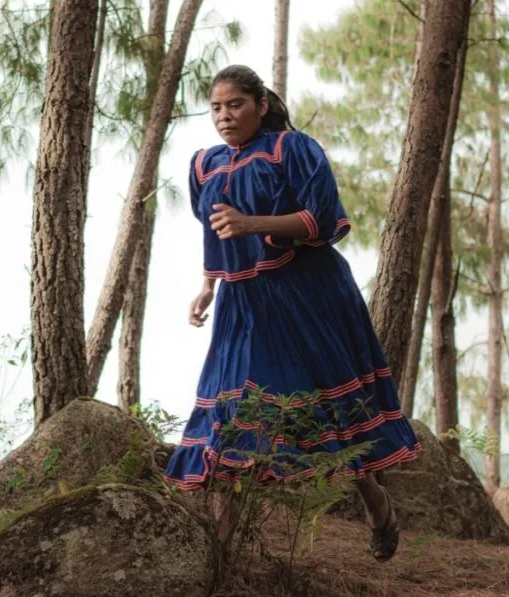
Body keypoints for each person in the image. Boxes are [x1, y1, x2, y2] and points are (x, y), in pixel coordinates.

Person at [163, 65, 421, 562]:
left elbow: (319, 220)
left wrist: (253, 222)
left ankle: (375, 503)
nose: (224, 116)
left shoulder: (293, 148)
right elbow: (216, 232)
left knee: (327, 405)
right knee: (235, 408)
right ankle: (222, 548)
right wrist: (207, 286)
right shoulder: (204, 165)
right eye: (215, 107)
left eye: (235, 104)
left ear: (260, 104)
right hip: (245, 303)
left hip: (308, 292)